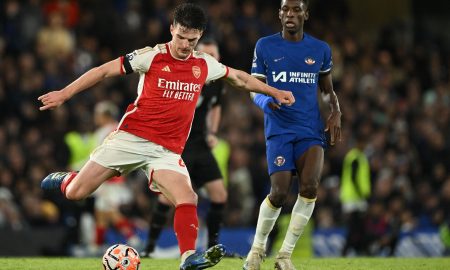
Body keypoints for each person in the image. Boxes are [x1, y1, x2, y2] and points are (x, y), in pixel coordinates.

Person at [37, 3, 295, 270]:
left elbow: (240, 78)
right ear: (172, 29)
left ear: (200, 36)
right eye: (180, 37)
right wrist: (64, 94)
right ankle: (67, 179)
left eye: (192, 40)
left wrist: (273, 91)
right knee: (77, 193)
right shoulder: (150, 56)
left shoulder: (203, 64)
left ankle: (188, 259)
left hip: (166, 151)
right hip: (130, 138)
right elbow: (103, 71)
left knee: (188, 198)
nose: (184, 44)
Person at [243, 0, 342, 269]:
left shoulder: (320, 49)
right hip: (279, 129)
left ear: (305, 14)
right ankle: (256, 250)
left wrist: (335, 110)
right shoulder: (265, 45)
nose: (290, 14)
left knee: (310, 188)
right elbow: (254, 88)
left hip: (310, 130)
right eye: (285, 9)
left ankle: (284, 256)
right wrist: (266, 102)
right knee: (279, 192)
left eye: (296, 9)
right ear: (279, 14)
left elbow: (326, 89)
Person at [141, 39, 228, 257]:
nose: (211, 60)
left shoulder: (217, 81)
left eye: (214, 56)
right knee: (167, 198)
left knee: (220, 195)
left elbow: (216, 106)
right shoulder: (187, 74)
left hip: (201, 145)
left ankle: (212, 248)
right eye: (207, 55)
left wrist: (213, 133)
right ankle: (149, 248)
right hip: (181, 144)